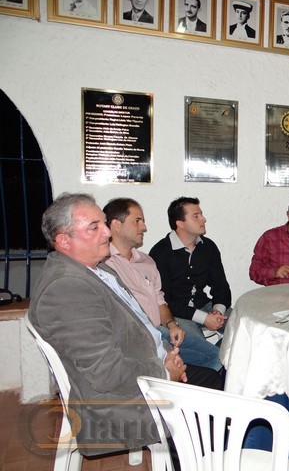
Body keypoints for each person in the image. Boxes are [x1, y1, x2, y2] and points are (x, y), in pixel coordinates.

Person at [28, 193, 219, 456]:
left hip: (144, 368)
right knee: (217, 408)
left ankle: (196, 452)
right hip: (122, 402)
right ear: (64, 241)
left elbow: (142, 325)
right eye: (94, 227)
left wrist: (168, 355)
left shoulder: (96, 269)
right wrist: (164, 373)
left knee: (211, 379)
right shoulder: (66, 288)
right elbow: (106, 372)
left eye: (104, 223)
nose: (107, 232)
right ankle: (192, 456)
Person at [104, 198, 223, 372]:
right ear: (116, 225)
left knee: (224, 350)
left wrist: (171, 324)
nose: (144, 227)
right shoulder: (104, 264)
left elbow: (160, 300)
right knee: (210, 359)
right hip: (138, 338)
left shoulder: (146, 261)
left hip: (161, 330)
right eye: (137, 221)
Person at [149, 197, 231, 338]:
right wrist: (204, 318)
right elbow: (164, 300)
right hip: (176, 313)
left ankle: (223, 352)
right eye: (196, 216)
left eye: (201, 214)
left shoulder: (208, 246)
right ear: (180, 223)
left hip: (204, 306)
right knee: (194, 342)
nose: (203, 219)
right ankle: (215, 352)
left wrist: (217, 311)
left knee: (242, 328)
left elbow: (221, 286)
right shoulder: (160, 252)